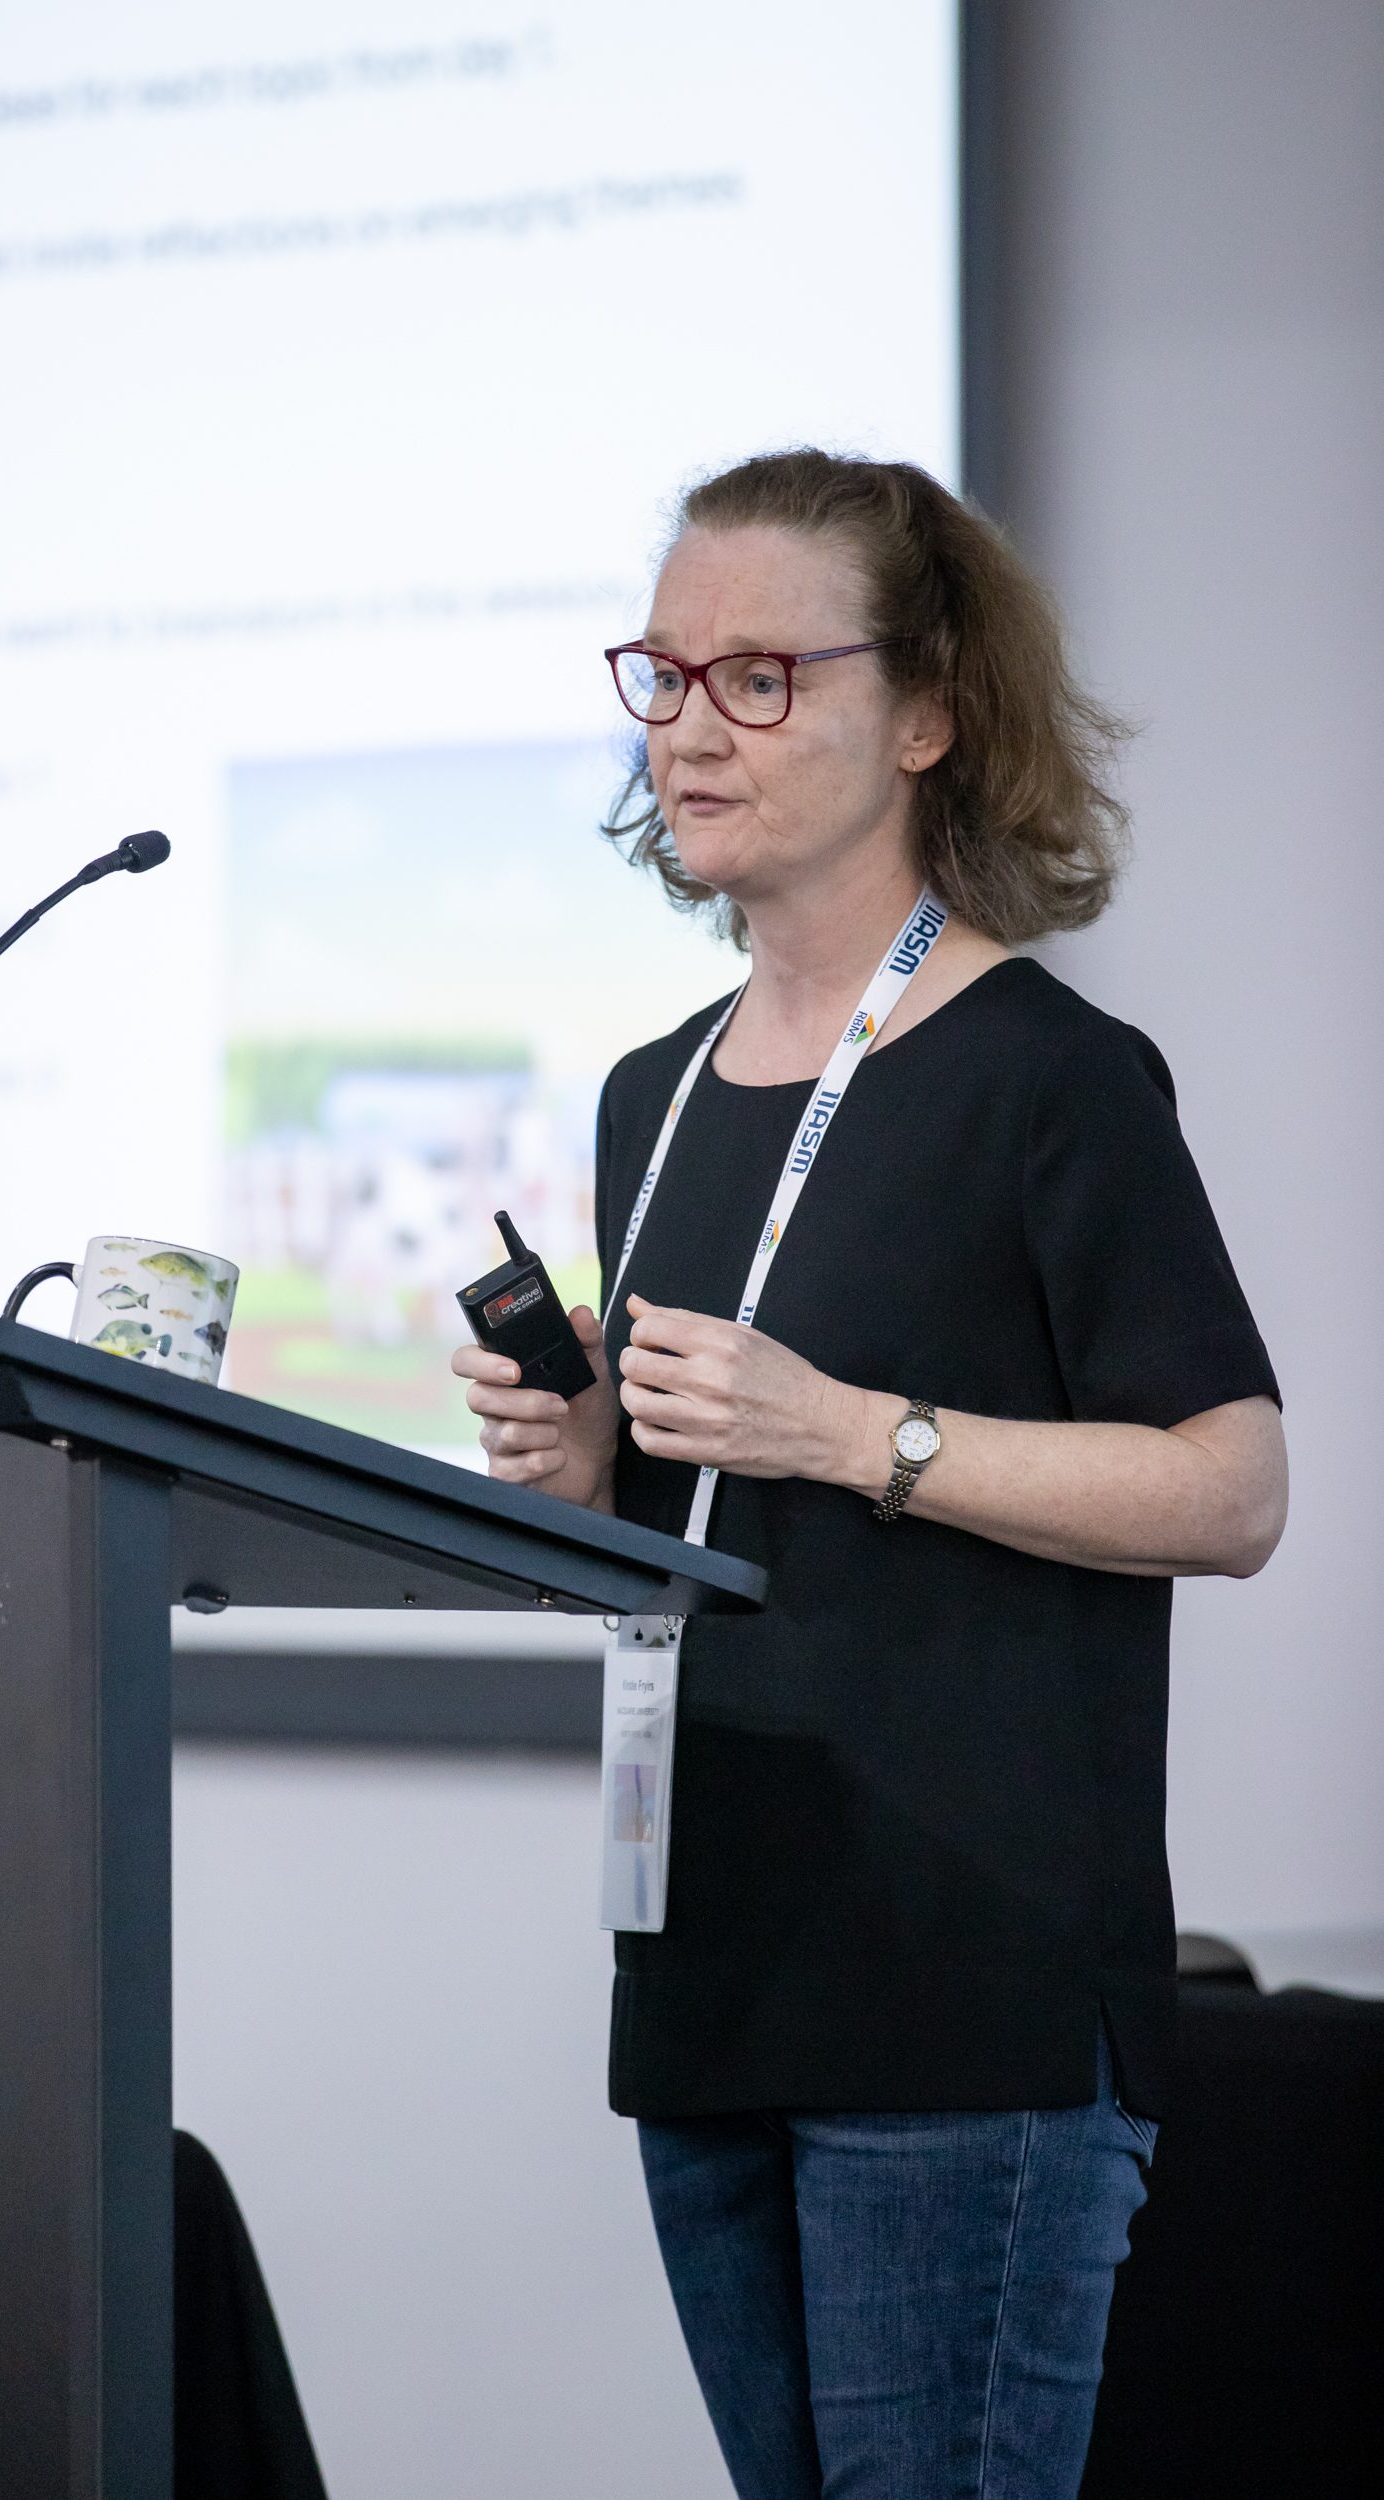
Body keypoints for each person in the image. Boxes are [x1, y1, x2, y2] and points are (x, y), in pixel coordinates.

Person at [451, 449, 1287, 2500]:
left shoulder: (1052, 1076)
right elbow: (705, 1532)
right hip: (709, 1969)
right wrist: (586, 1470)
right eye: (664, 674)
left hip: (965, 1997)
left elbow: (1232, 1486)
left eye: (760, 676)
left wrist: (855, 1432)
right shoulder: (653, 1094)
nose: (688, 728)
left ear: (924, 713)